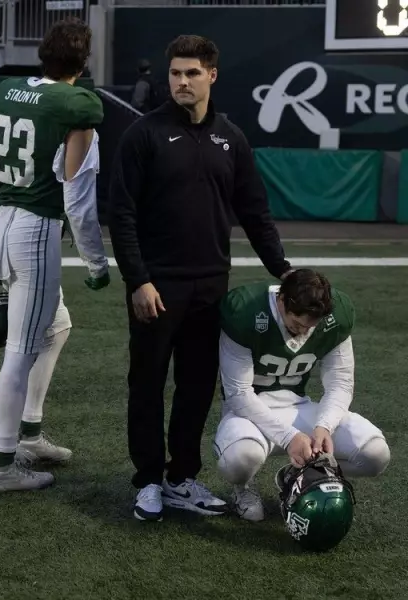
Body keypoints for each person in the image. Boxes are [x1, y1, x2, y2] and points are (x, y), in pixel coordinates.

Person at [107, 34, 293, 522]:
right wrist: (138, 280)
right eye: (175, 73)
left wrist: (282, 268)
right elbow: (121, 214)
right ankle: (147, 481)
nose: (181, 82)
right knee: (146, 385)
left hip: (212, 287)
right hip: (157, 286)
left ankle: (181, 478)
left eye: (191, 73)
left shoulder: (230, 137)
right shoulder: (142, 134)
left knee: (196, 387)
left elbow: (254, 210)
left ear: (211, 75)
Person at [0, 16, 110, 493]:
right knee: (19, 351)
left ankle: (29, 434)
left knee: (57, 326)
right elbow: (76, 197)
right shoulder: (77, 104)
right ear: (83, 60)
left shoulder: (8, 90)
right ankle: (2, 465)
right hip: (35, 227)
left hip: (6, 219)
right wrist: (96, 263)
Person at [215, 269, 390, 521]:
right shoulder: (246, 311)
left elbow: (340, 383)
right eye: (297, 324)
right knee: (241, 459)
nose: (304, 331)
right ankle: (243, 488)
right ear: (282, 300)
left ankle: (298, 476)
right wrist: (289, 437)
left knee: (375, 455)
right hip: (248, 413)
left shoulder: (335, 317)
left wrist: (324, 426)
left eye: (311, 326)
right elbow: (239, 393)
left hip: (298, 405)